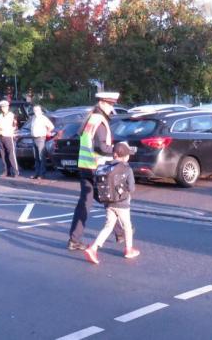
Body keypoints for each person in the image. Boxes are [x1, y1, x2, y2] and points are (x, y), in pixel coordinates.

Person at [67, 92, 125, 251]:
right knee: (109, 199)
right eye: (111, 104)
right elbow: (100, 146)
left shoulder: (91, 118)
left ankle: (74, 240)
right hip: (96, 168)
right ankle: (121, 232)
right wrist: (116, 151)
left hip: (85, 166)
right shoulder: (99, 121)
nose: (112, 108)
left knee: (86, 203)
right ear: (103, 103)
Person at [84, 142, 140, 264]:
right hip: (122, 203)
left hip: (108, 202)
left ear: (114, 155)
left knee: (108, 226)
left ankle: (93, 248)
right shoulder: (127, 169)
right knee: (127, 227)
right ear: (126, 156)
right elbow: (132, 189)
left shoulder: (105, 167)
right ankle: (129, 250)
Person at [29, 105, 55, 180]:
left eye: (37, 110)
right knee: (36, 158)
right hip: (34, 138)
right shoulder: (33, 118)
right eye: (34, 110)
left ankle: (42, 174)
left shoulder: (43, 118)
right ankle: (36, 174)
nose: (35, 111)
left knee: (41, 157)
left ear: (40, 111)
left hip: (41, 138)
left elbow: (52, 126)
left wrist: (47, 132)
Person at [0, 100, 19, 178]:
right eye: (2, 107)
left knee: (11, 155)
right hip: (1, 137)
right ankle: (6, 171)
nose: (3, 108)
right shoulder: (0, 115)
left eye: (5, 107)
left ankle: (15, 171)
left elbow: (15, 127)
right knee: (3, 156)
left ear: (8, 107)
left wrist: (14, 136)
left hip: (9, 136)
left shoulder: (12, 115)